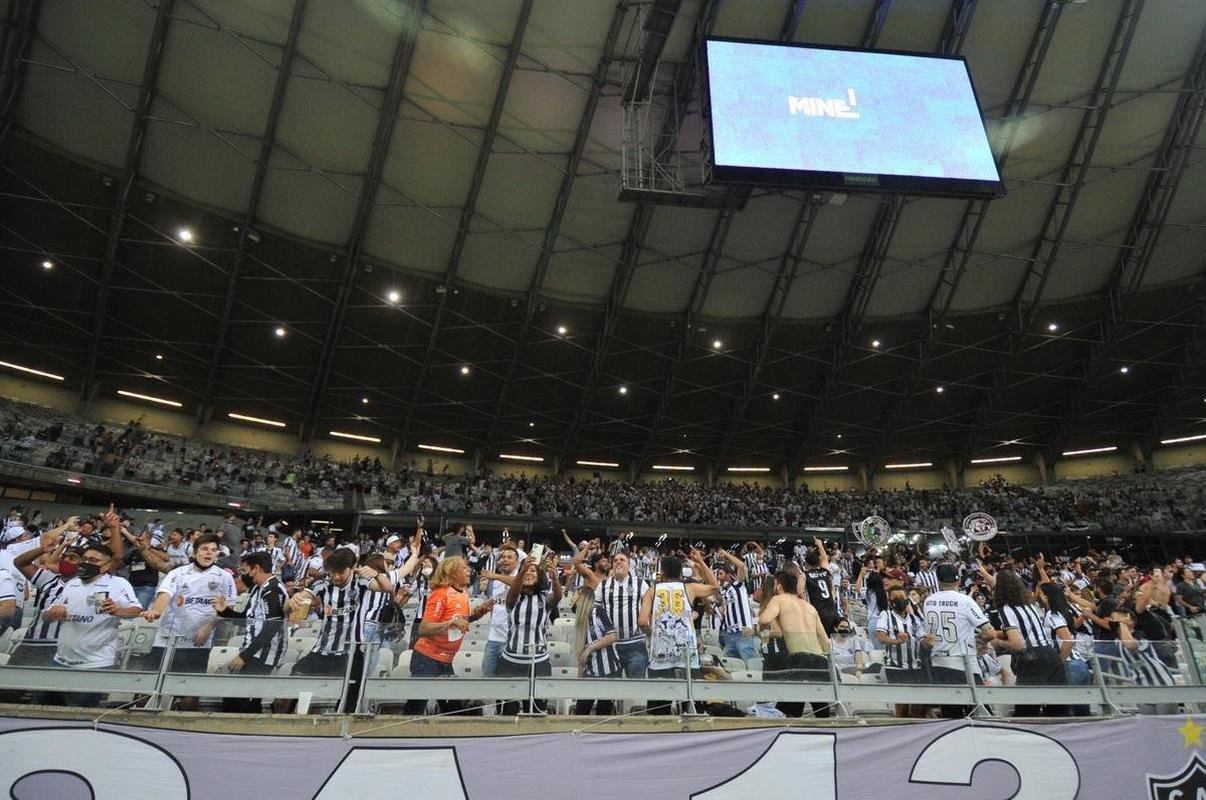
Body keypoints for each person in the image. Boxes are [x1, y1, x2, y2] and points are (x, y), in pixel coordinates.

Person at [285, 547, 395, 713]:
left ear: (351, 568)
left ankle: (341, 722)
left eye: (340, 572)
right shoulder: (322, 582)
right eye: (332, 572)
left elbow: (387, 588)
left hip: (351, 650)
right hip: (322, 649)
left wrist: (377, 574)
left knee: (350, 692)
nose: (335, 577)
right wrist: (291, 602)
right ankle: (288, 717)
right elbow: (294, 604)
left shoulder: (361, 581)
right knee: (295, 676)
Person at [142, 535, 236, 710]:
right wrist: (156, 611)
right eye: (204, 549)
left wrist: (208, 627)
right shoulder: (178, 573)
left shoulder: (224, 577)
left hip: (197, 644)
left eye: (213, 550)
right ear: (195, 552)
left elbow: (227, 609)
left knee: (189, 695)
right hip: (166, 641)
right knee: (147, 690)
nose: (209, 553)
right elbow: (165, 594)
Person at [45, 543, 142, 707]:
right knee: (43, 712)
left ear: (106, 566)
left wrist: (117, 610)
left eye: (92, 560)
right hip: (60, 661)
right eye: (84, 559)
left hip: (95, 664)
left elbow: (137, 611)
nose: (86, 563)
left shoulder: (118, 584)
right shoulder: (72, 583)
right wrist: (53, 612)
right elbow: (46, 617)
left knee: (81, 717)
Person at [403, 555, 494, 715]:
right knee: (416, 706)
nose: (469, 570)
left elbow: (458, 621)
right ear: (451, 573)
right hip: (427, 658)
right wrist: (450, 624)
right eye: (464, 568)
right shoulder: (441, 594)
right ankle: (402, 737)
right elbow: (423, 629)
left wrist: (475, 616)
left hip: (445, 660)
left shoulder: (463, 593)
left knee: (452, 709)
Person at [639, 550, 719, 715]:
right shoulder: (689, 588)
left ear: (663, 572)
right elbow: (715, 587)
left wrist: (651, 633)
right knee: (693, 709)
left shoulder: (652, 590)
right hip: (687, 658)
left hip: (660, 657)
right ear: (680, 572)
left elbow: (641, 621)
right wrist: (701, 563)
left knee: (658, 713)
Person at [213, 551, 288, 713]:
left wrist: (243, 656)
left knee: (239, 700)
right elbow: (245, 620)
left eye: (244, 570)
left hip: (263, 656)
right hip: (252, 651)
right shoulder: (256, 589)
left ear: (256, 569)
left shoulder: (273, 590)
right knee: (240, 700)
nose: (242, 575)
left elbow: (271, 628)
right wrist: (224, 611)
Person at [922, 563, 998, 718]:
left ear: (938, 580)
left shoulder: (928, 601)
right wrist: (979, 640)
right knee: (981, 713)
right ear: (958, 580)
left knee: (952, 716)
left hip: (939, 664)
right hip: (964, 663)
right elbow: (990, 632)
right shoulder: (965, 600)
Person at [495, 552, 563, 715]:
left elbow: (558, 597)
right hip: (510, 661)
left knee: (537, 711)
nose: (529, 573)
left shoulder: (544, 598)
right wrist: (523, 568)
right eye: (525, 571)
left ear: (539, 577)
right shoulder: (512, 597)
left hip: (538, 662)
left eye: (533, 571)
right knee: (507, 711)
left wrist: (554, 579)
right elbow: (513, 592)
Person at [993, 571, 1068, 717]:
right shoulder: (1029, 605)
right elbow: (1025, 629)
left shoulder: (1006, 609)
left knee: (1027, 712)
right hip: (1050, 655)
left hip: (1031, 660)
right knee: (1058, 711)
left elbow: (1017, 644)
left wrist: (995, 641)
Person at [758, 570, 831, 718]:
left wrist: (760, 631)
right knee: (822, 715)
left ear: (779, 586)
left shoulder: (779, 600)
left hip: (798, 660)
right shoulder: (810, 607)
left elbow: (764, 619)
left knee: (788, 715)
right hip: (820, 662)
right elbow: (826, 642)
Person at [597, 551, 649, 679]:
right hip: (610, 646)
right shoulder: (603, 585)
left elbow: (651, 609)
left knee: (636, 689)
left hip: (635, 644)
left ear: (629, 564)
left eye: (622, 560)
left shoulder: (640, 584)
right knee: (611, 691)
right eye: (615, 560)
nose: (618, 562)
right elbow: (596, 610)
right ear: (612, 565)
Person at [876, 585, 925, 716]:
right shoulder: (885, 615)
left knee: (918, 706)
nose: (899, 600)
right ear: (889, 601)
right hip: (895, 667)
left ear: (907, 599)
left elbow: (922, 640)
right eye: (895, 598)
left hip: (915, 667)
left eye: (902, 597)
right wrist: (895, 641)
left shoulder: (915, 619)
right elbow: (881, 637)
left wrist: (929, 642)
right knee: (902, 704)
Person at [572, 585, 620, 716]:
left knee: (602, 715)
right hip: (590, 672)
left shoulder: (598, 611)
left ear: (582, 596)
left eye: (575, 594)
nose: (572, 597)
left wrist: (590, 649)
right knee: (580, 713)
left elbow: (612, 636)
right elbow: (581, 656)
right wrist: (579, 682)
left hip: (610, 672)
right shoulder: (580, 619)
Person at [478, 543, 519, 677]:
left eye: (509, 557)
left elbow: (519, 583)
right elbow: (496, 602)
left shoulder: (520, 577)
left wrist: (495, 576)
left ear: (517, 561)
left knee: (508, 678)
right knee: (488, 672)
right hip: (494, 637)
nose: (505, 559)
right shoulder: (495, 581)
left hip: (512, 640)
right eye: (503, 557)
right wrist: (485, 606)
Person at [713, 548, 758, 662]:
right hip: (730, 634)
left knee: (750, 665)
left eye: (721, 574)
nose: (718, 577)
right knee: (732, 668)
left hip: (743, 632)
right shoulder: (725, 591)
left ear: (729, 575)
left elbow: (742, 566)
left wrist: (726, 554)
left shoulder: (738, 586)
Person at [803, 538, 842, 634]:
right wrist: (820, 545)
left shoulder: (805, 575)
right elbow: (824, 558)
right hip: (832, 612)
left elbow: (800, 593)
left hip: (818, 613)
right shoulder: (825, 571)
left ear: (806, 563)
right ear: (818, 562)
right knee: (832, 640)